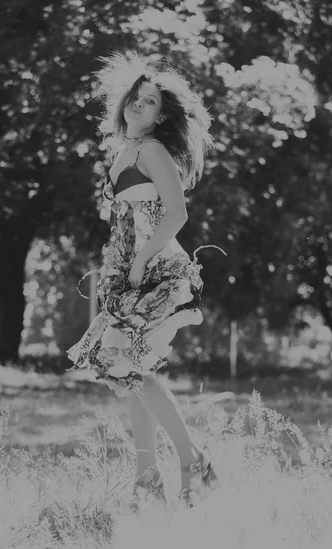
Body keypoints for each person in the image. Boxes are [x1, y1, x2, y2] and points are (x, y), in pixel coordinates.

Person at [66, 52, 219, 509]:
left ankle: (193, 461)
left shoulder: (152, 150)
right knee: (130, 373)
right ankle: (147, 478)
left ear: (161, 113)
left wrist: (139, 263)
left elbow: (177, 214)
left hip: (155, 271)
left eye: (149, 101)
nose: (138, 104)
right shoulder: (123, 151)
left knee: (128, 366)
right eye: (135, 96)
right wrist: (122, 265)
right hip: (128, 272)